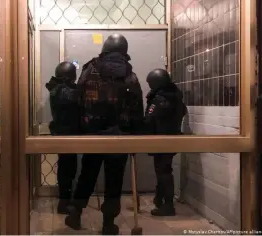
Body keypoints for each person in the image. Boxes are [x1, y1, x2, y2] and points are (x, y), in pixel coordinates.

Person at [65, 34, 144, 235]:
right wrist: (136, 135)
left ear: (105, 48)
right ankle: (108, 223)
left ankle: (75, 211)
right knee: (114, 181)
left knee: (87, 175)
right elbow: (137, 109)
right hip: (120, 137)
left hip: (93, 135)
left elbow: (77, 100)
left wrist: (78, 130)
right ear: (124, 50)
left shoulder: (89, 70)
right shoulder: (130, 76)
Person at [144, 68, 187, 216]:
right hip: (171, 138)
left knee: (163, 172)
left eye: (150, 84)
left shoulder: (160, 99)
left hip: (161, 139)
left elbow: (150, 118)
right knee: (165, 170)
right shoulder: (175, 95)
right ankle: (161, 199)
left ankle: (168, 205)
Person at [45, 61, 80, 214]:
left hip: (65, 133)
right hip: (67, 134)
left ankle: (65, 199)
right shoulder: (63, 90)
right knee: (67, 169)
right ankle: (64, 201)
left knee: (67, 167)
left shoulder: (57, 88)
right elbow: (76, 100)